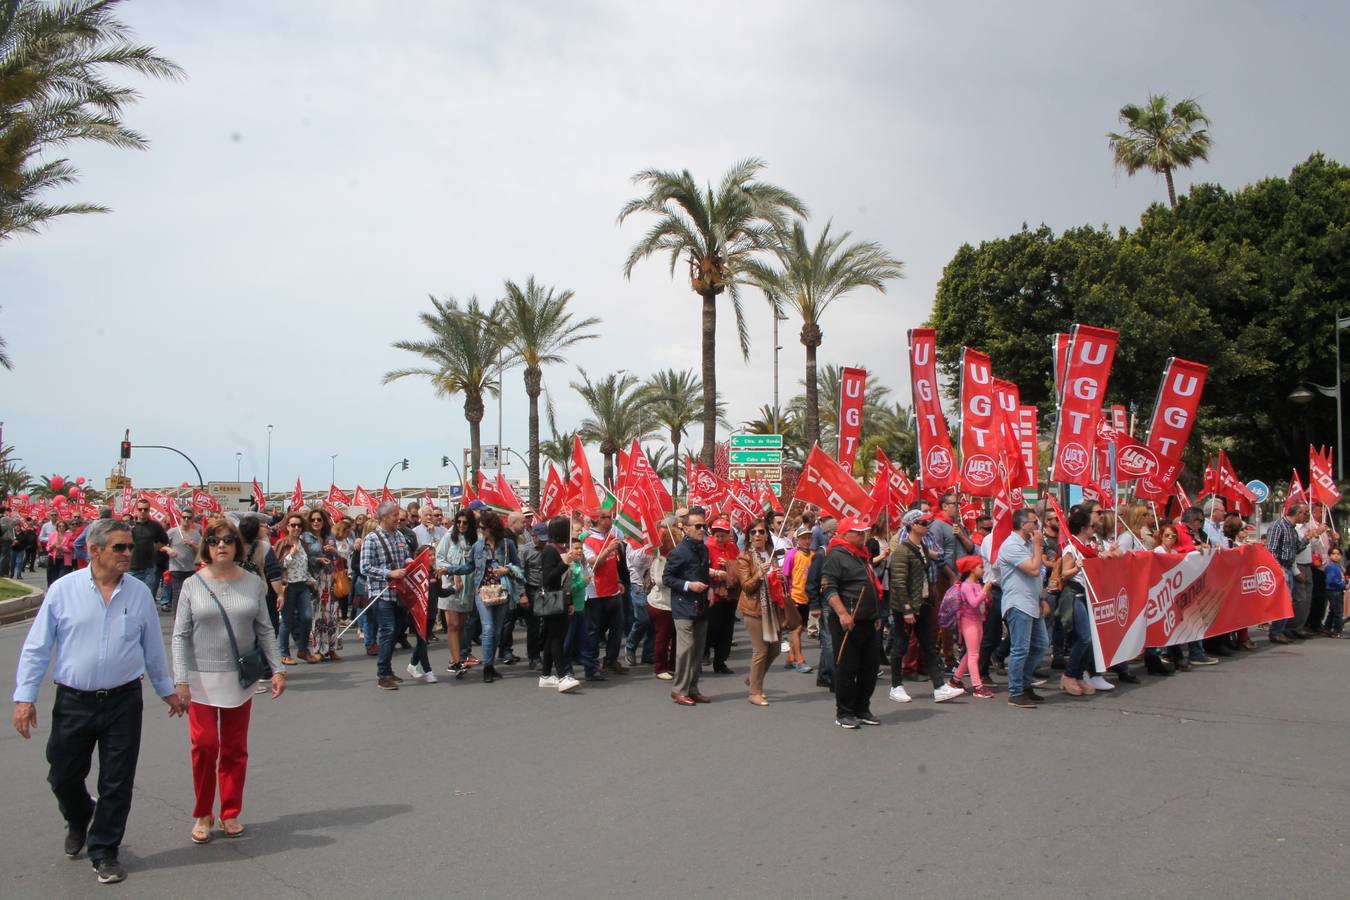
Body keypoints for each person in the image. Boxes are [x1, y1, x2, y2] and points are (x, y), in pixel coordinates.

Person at [13, 518, 186, 885]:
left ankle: (105, 849)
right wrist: (24, 697)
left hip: (123, 701)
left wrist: (166, 689)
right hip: (74, 700)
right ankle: (79, 815)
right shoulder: (63, 590)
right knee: (62, 773)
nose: (129, 553)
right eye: (120, 547)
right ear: (95, 551)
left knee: (117, 780)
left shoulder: (139, 593)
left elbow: (152, 648)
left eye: (130, 547)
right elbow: (37, 648)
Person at [172, 517, 285, 843]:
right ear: (206, 546)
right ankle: (203, 812)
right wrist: (180, 680)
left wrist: (277, 668)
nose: (221, 545)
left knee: (235, 748)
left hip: (240, 677)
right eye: (214, 540)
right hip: (201, 678)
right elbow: (179, 635)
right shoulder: (193, 585)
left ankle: (230, 811)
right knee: (205, 746)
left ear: (237, 545)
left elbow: (265, 629)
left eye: (227, 540)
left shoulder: (253, 583)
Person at [821, 516, 884, 728]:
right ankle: (844, 712)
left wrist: (875, 615)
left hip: (868, 621)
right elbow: (829, 588)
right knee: (847, 668)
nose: (862, 534)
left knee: (870, 666)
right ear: (845, 533)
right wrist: (842, 613)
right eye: (857, 532)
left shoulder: (862, 554)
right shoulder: (836, 555)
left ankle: (862, 708)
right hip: (848, 621)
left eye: (864, 531)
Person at [736, 519, 793, 707]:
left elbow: (776, 581)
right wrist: (760, 574)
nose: (758, 535)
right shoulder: (744, 557)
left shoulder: (770, 554)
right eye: (754, 532)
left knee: (775, 649)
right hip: (754, 608)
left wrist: (780, 577)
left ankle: (754, 676)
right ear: (749, 536)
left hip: (772, 607)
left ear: (767, 534)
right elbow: (746, 587)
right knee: (760, 650)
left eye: (761, 532)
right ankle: (755, 691)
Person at [997, 508, 1048, 709]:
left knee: (1041, 645)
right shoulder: (1011, 546)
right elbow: (1035, 569)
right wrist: (1038, 545)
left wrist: (1042, 597)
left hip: (1032, 602)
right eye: (1034, 522)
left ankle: (1025, 684)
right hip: (1018, 604)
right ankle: (1015, 691)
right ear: (1023, 524)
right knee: (1020, 650)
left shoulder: (1028, 544)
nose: (1037, 527)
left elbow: (1039, 574)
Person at [360, 501, 411, 689]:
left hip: (399, 592)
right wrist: (388, 573)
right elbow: (364, 567)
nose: (398, 518)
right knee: (388, 630)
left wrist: (411, 561)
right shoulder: (371, 539)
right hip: (381, 593)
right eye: (394, 515)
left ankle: (388, 670)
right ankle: (382, 674)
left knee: (396, 630)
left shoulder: (399, 535)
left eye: (397, 514)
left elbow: (404, 555)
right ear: (383, 517)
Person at [470, 510, 524, 683]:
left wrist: (506, 569)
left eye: (483, 528)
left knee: (498, 631)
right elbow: (469, 566)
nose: (481, 531)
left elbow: (518, 567)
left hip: (502, 590)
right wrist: (449, 570)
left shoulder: (507, 544)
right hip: (482, 590)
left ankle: (491, 665)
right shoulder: (478, 546)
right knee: (488, 628)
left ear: (492, 528)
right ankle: (487, 667)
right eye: (480, 528)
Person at [664, 509, 712, 706]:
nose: (702, 530)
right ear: (685, 528)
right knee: (686, 648)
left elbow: (704, 572)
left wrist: (711, 589)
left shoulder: (704, 548)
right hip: (683, 606)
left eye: (704, 526)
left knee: (699, 649)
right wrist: (688, 585)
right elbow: (667, 578)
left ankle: (693, 688)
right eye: (698, 526)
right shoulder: (678, 552)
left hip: (701, 604)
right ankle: (679, 689)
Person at [581, 509, 627, 680]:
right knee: (594, 630)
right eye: (607, 517)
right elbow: (594, 564)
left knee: (617, 627)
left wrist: (619, 581)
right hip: (595, 592)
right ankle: (592, 663)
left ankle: (611, 659)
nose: (611, 520)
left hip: (613, 590)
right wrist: (607, 550)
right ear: (597, 520)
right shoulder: (587, 540)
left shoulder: (611, 536)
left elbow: (612, 565)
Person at [537, 517, 581, 693]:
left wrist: (569, 601)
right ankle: (562, 675)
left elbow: (566, 581)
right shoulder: (550, 550)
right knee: (557, 638)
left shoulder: (562, 548)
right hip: (552, 599)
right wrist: (565, 563)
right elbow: (549, 579)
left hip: (562, 598)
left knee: (551, 637)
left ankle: (546, 675)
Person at [1266, 502, 1319, 644]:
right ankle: (1275, 632)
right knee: (1283, 601)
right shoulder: (1278, 526)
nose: (1307, 516)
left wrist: (1307, 538)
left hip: (1288, 568)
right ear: (1298, 513)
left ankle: (1280, 630)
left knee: (1287, 602)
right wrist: (1278, 569)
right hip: (1280, 569)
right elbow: (1271, 550)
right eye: (1306, 513)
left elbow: (1296, 548)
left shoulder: (1292, 529)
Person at [435, 509, 478, 677]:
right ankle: (455, 661)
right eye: (458, 522)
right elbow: (440, 557)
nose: (461, 525)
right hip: (451, 585)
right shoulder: (448, 537)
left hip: (467, 587)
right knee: (452, 624)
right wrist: (454, 574)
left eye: (465, 522)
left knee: (461, 625)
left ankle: (458, 656)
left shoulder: (475, 539)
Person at [274, 512, 319, 665]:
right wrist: (290, 554)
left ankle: (302, 649)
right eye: (293, 525)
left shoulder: (303, 544)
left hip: (302, 585)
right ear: (287, 526)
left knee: (306, 618)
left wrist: (312, 580)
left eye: (299, 525)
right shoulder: (282, 543)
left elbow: (304, 567)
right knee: (287, 621)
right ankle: (284, 653)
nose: (296, 528)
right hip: (288, 586)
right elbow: (277, 567)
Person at [950, 555, 993, 698]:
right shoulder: (966, 586)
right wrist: (984, 591)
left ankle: (955, 680)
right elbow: (974, 603)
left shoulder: (976, 584)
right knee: (974, 654)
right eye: (980, 567)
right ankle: (977, 686)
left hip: (978, 621)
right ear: (971, 570)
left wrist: (984, 594)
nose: (983, 569)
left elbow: (981, 602)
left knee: (970, 652)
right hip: (969, 622)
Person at [704, 518, 740, 674]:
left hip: (730, 594)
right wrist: (718, 572)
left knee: (727, 630)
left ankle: (720, 662)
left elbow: (740, 566)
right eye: (717, 535)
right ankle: (704, 655)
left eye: (723, 535)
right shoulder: (707, 547)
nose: (720, 539)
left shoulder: (733, 547)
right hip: (714, 593)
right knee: (712, 628)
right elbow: (702, 569)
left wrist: (729, 565)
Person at [304, 508, 341, 661]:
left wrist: (333, 551)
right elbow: (303, 558)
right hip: (314, 578)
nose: (316, 522)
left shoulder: (330, 536)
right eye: (313, 520)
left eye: (319, 519)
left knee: (332, 614)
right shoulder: (305, 537)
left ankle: (332, 648)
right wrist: (317, 560)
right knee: (317, 615)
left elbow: (338, 556)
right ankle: (318, 648)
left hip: (329, 577)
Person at [781, 526, 815, 673]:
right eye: (803, 538)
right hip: (794, 596)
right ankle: (800, 660)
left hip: (807, 597)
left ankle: (790, 658)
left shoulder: (813, 555)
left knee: (800, 630)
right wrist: (786, 595)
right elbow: (784, 576)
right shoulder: (791, 554)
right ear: (797, 540)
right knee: (797, 628)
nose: (807, 541)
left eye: (809, 538)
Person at [646, 524, 677, 681]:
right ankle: (660, 668)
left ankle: (673, 665)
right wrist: (678, 579)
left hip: (672, 603)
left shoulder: (673, 556)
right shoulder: (661, 558)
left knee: (676, 636)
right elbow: (660, 581)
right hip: (661, 604)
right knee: (663, 637)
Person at [127, 499, 169, 600]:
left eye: (145, 509)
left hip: (148, 568)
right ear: (136, 510)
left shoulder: (155, 526)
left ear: (149, 510)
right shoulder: (128, 526)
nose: (142, 511)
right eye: (140, 509)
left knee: (147, 598)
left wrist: (153, 548)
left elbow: (164, 540)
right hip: (131, 568)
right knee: (131, 598)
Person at [165, 514, 202, 615]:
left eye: (189, 517)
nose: (186, 519)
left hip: (191, 569)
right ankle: (177, 617)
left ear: (192, 520)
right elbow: (161, 545)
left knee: (191, 594)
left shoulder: (196, 534)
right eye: (183, 517)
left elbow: (200, 551)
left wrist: (191, 544)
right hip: (176, 568)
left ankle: (189, 615)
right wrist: (168, 549)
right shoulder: (172, 531)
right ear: (180, 518)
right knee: (178, 593)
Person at [1322, 546, 1345, 636]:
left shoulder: (1337, 566)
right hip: (1334, 590)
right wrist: (1343, 585)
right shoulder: (1331, 566)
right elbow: (1332, 580)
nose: (1336, 556)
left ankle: (1327, 628)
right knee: (1338, 612)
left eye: (1338, 554)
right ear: (1329, 555)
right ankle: (1337, 631)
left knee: (1333, 610)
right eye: (1333, 554)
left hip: (1336, 590)